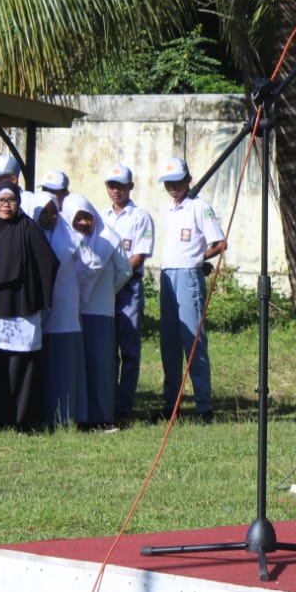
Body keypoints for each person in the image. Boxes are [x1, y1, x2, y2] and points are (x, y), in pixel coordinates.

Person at [0, 183, 59, 431]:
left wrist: (34, 293)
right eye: (0, 200)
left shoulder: (28, 229)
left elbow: (48, 262)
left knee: (20, 362)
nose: (5, 205)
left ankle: (21, 420)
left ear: (18, 203)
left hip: (21, 304)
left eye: (10, 200)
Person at [157, 157, 225, 421]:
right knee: (169, 342)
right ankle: (171, 403)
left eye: (177, 181)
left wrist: (198, 258)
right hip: (167, 275)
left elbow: (219, 243)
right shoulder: (169, 209)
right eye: (168, 183)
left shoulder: (199, 207)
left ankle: (203, 405)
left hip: (187, 275)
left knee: (193, 341)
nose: (173, 187)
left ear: (188, 180)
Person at [65, 194, 131, 430]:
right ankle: (77, 417)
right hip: (70, 312)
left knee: (100, 365)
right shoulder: (65, 238)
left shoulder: (108, 238)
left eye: (87, 217)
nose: (83, 223)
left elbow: (125, 271)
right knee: (77, 366)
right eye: (77, 218)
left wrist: (107, 292)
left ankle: (101, 417)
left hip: (100, 311)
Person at [30, 191, 87, 429]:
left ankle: (66, 417)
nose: (50, 217)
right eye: (44, 212)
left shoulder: (70, 237)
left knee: (63, 365)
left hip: (64, 310)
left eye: (54, 212)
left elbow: (91, 266)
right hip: (37, 312)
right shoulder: (29, 235)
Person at [103, 164, 154, 422]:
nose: (116, 190)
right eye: (112, 186)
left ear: (130, 187)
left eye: (121, 186)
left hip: (128, 287)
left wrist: (118, 280)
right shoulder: (102, 216)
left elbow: (139, 255)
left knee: (129, 350)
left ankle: (124, 406)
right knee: (108, 349)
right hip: (104, 289)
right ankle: (108, 402)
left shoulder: (140, 217)